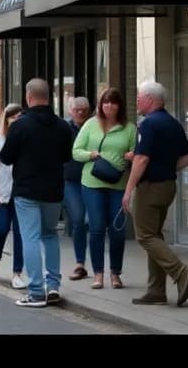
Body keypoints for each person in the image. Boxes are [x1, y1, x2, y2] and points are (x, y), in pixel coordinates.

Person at [124, 81, 188, 307]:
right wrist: (166, 167)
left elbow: (142, 158)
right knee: (155, 234)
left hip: (150, 187)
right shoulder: (173, 123)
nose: (137, 100)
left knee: (145, 236)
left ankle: (180, 271)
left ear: (151, 99)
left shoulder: (148, 125)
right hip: (168, 186)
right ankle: (156, 290)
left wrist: (128, 190)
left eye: (139, 97)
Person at [0, 78, 73, 308]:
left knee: (30, 238)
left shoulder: (20, 125)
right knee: (50, 235)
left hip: (27, 190)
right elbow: (66, 157)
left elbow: (6, 157)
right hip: (53, 190)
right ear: (48, 96)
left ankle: (36, 291)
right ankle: (53, 286)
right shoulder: (62, 125)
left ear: (28, 97)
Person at [71, 88, 136, 291]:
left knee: (117, 230)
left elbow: (136, 154)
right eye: (105, 102)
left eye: (113, 102)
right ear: (100, 105)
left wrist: (131, 156)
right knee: (97, 227)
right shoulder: (91, 124)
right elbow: (75, 152)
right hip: (92, 183)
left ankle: (115, 273)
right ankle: (98, 274)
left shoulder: (129, 128)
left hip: (118, 184)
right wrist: (91, 155)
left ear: (120, 106)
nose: (109, 106)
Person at [0, 103, 25, 289]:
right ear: (7, 119)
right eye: (14, 117)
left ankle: (17, 272)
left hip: (20, 192)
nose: (17, 121)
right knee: (1, 229)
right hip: (2, 190)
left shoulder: (25, 139)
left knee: (20, 234)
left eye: (20, 117)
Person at [62, 97, 92, 281]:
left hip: (93, 179)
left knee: (94, 222)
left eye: (84, 110)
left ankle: (99, 267)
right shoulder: (64, 128)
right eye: (76, 110)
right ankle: (80, 263)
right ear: (70, 111)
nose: (80, 113)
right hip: (71, 180)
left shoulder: (94, 126)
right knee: (79, 219)